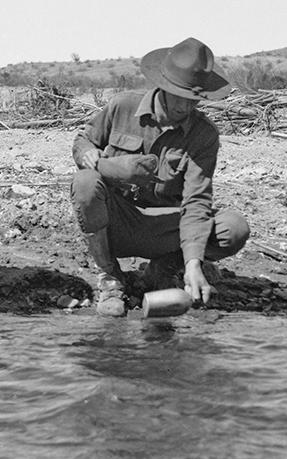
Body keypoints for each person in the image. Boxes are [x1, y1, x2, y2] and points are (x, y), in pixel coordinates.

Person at [70, 37, 249, 317]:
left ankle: (163, 270)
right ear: (163, 85)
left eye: (195, 97)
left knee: (233, 228)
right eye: (181, 94)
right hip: (119, 223)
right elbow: (84, 140)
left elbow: (196, 203)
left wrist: (192, 264)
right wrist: (87, 155)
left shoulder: (204, 136)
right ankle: (110, 278)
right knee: (85, 183)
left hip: (167, 229)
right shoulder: (122, 106)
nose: (187, 105)